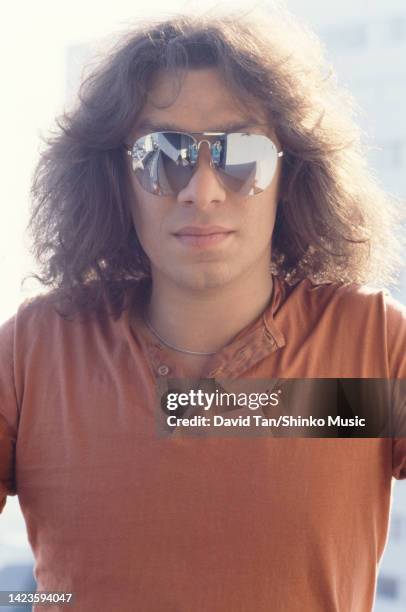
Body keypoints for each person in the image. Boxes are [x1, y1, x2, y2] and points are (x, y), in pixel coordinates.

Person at [0, 7, 405, 611]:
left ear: (290, 173)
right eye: (163, 153)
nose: (203, 189)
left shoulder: (370, 344)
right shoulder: (36, 350)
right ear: (115, 178)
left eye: (242, 152)